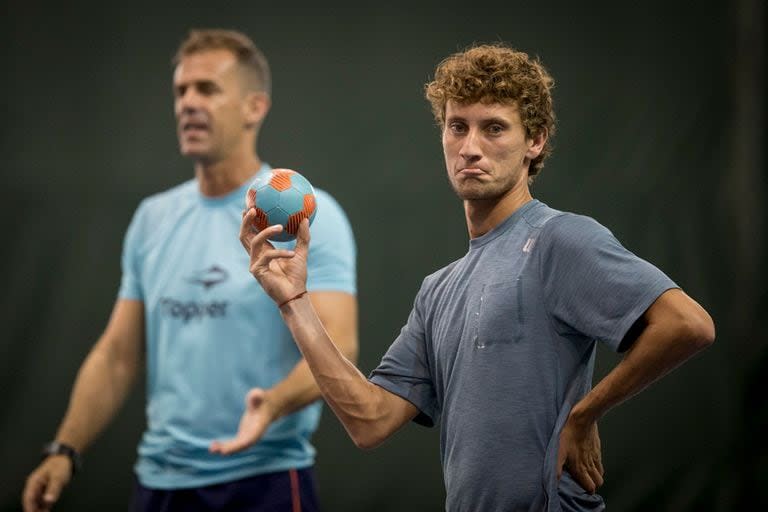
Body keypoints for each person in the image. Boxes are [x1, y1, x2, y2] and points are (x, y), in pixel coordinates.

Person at [236, 43, 715, 511]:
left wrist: (585, 413)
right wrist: (293, 301)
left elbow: (687, 324)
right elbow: (370, 422)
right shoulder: (438, 290)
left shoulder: (560, 239)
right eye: (457, 127)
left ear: (536, 140)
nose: (470, 148)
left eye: (494, 129)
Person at [22, 29, 357, 512]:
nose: (188, 103)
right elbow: (117, 356)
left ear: (254, 107)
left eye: (208, 89)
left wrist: (272, 405)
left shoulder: (306, 215)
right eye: (181, 91)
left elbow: (339, 347)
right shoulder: (151, 219)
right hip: (159, 483)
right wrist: (64, 448)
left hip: (264, 481)